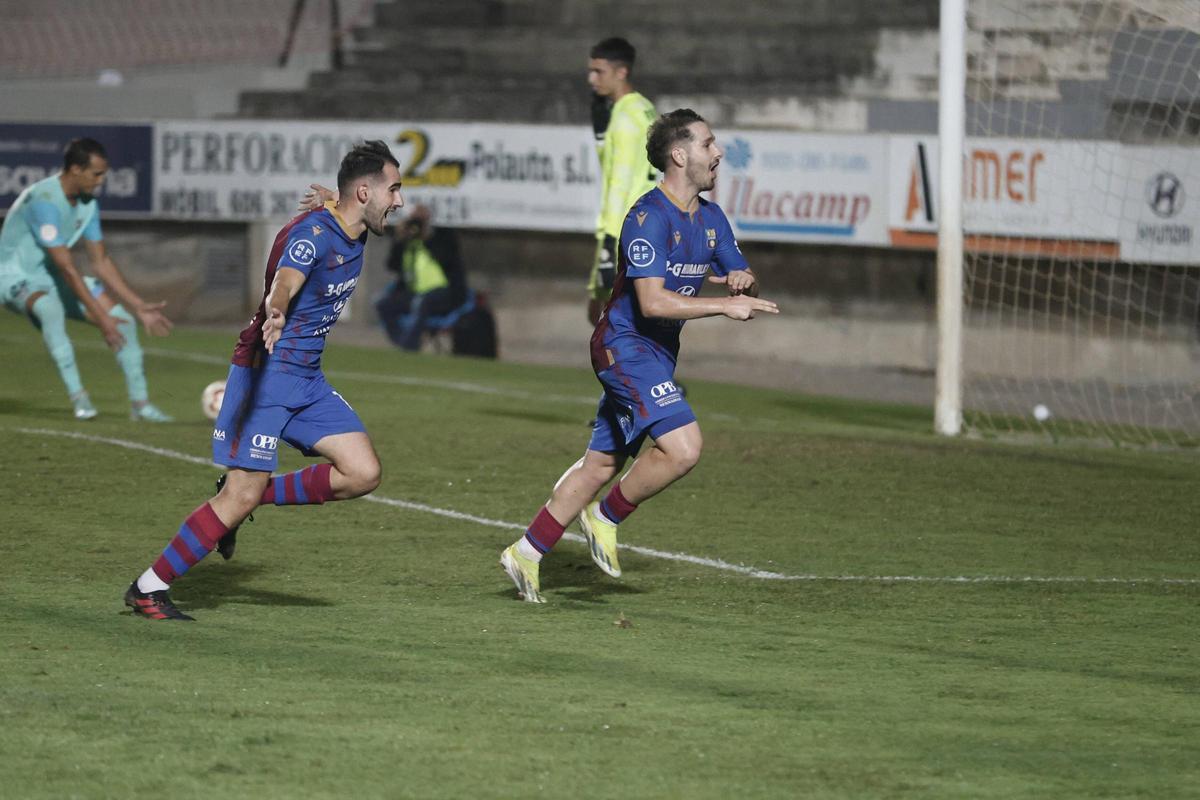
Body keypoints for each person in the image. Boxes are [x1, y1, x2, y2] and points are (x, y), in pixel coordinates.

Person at [500, 109, 780, 603]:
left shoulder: (712, 218)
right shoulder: (646, 218)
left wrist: (743, 281)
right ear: (679, 155)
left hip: (657, 353)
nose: (719, 154)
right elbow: (651, 303)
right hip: (623, 347)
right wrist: (723, 305)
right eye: (709, 144)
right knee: (684, 448)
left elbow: (740, 273)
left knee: (600, 466)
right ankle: (603, 517)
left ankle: (525, 552)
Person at [123, 140, 405, 621]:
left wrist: (333, 203)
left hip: (307, 379)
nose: (398, 200)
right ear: (364, 191)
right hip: (264, 376)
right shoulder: (313, 235)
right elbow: (286, 280)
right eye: (393, 189)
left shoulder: (349, 225)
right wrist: (276, 312)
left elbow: (332, 224)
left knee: (363, 473)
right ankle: (148, 588)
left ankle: (249, 496)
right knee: (238, 494)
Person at [0, 137, 174, 421]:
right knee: (50, 309)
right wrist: (100, 319)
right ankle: (80, 400)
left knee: (124, 321)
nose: (102, 180)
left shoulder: (87, 203)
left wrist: (137, 305)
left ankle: (141, 406)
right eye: (97, 174)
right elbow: (67, 268)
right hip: (13, 277)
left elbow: (101, 261)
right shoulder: (43, 202)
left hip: (50, 276)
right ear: (76, 169)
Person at [586, 37, 658, 325]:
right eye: (590, 71)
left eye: (599, 71)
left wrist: (610, 240)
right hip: (645, 224)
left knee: (606, 315)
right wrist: (602, 138)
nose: (592, 79)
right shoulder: (643, 107)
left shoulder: (626, 119)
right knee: (608, 313)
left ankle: (637, 368)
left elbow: (620, 182)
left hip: (625, 229)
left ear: (621, 72)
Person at [374, 204, 467, 351]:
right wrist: (399, 239)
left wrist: (427, 238)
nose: (417, 225)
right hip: (413, 291)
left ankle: (409, 347)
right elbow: (392, 265)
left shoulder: (442, 238)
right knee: (382, 303)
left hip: (442, 293)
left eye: (420, 220)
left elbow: (448, 260)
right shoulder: (408, 241)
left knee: (421, 302)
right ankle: (401, 341)